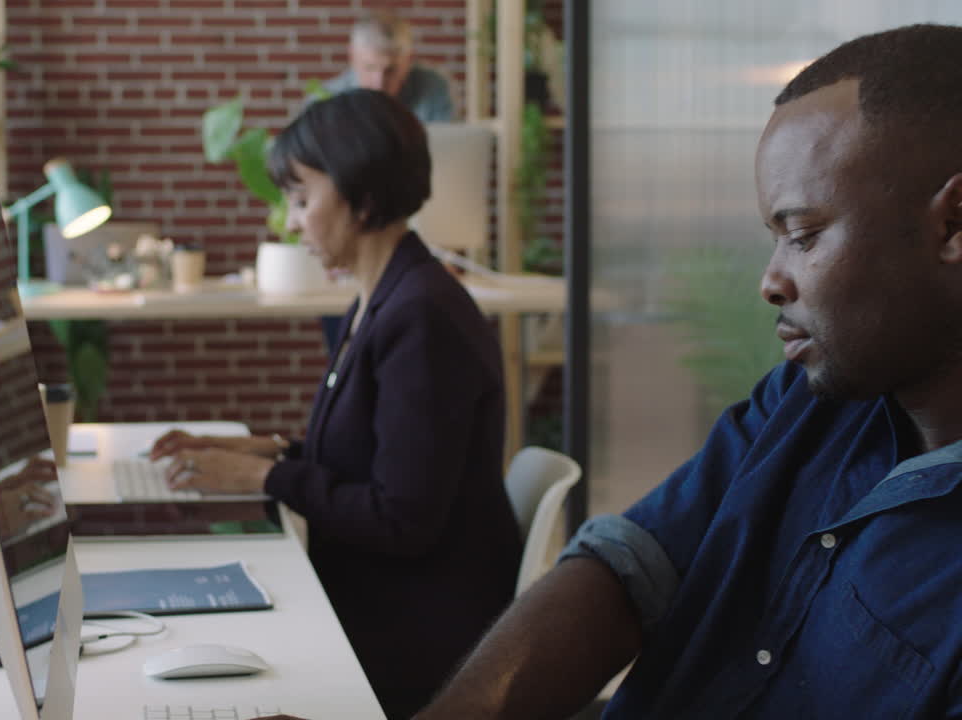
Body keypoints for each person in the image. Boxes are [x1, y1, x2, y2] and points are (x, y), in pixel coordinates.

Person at [407, 23, 962, 719]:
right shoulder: (810, 397)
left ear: (953, 225)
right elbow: (627, 566)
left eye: (803, 235)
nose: (771, 280)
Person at [151, 89, 520, 719]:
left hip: (416, 635)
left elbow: (400, 517)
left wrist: (266, 476)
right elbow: (378, 461)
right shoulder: (381, 298)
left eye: (301, 198)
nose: (292, 221)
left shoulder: (420, 318)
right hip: (379, 599)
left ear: (363, 198)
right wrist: (263, 449)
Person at [323, 9, 454, 125]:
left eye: (391, 70)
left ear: (409, 60)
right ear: (352, 57)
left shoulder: (434, 87)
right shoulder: (326, 100)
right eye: (370, 67)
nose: (379, 83)